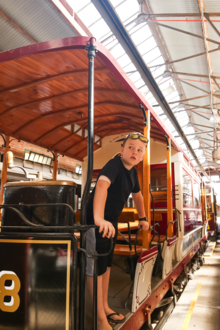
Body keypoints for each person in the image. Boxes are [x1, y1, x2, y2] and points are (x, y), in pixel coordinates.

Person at [86, 132, 150, 329]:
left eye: (139, 150)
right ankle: (98, 319)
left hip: (110, 222)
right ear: (121, 150)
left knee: (106, 266)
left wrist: (143, 217)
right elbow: (102, 187)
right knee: (95, 269)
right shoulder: (114, 165)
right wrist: (98, 218)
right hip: (95, 222)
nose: (134, 152)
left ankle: (104, 307)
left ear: (141, 157)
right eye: (130, 147)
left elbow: (138, 197)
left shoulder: (133, 173)